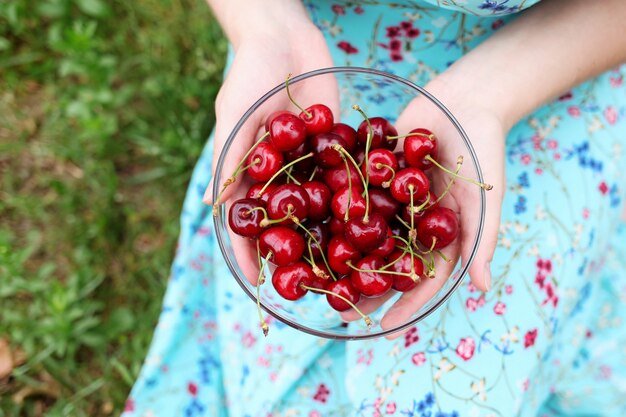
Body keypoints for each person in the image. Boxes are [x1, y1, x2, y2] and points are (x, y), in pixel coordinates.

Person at [122, 0, 626, 416]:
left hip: (542, 85)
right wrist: (265, 24)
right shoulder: (310, 182)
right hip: (304, 77)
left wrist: (488, 95)